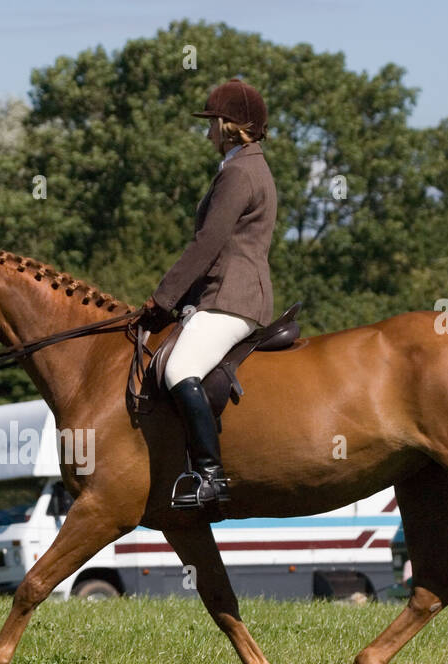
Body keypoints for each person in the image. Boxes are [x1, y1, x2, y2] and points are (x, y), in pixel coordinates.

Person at [141, 76, 278, 510]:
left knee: (178, 368)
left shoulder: (239, 172)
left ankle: (211, 478)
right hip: (223, 292)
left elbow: (208, 244)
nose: (207, 132)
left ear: (231, 126)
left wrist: (161, 299)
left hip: (233, 297)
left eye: (213, 122)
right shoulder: (246, 166)